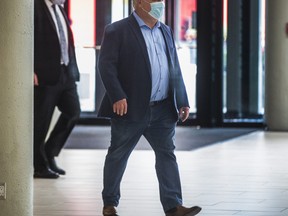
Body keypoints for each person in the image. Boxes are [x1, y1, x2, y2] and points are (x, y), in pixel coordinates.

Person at [98, 0, 202, 215]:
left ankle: (173, 206)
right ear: (139, 3)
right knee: (118, 154)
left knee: (167, 154)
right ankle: (109, 204)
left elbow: (174, 66)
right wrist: (117, 96)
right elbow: (106, 66)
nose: (160, 4)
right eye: (154, 0)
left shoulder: (165, 30)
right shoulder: (117, 30)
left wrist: (182, 99)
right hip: (129, 108)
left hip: (163, 108)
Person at [33, 0, 81, 178]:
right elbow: (26, 40)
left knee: (73, 111)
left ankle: (49, 152)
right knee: (41, 122)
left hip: (66, 73)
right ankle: (39, 166)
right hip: (44, 75)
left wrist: (73, 70)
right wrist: (30, 70)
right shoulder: (35, 7)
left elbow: (67, 41)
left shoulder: (59, 8)